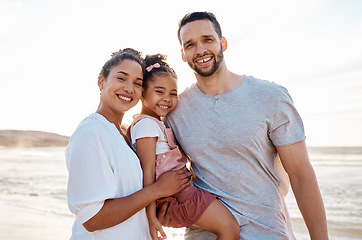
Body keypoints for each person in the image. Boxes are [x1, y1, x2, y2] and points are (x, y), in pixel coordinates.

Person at [158, 12, 329, 239]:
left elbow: (301, 175)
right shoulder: (175, 111)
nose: (200, 50)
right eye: (190, 45)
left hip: (266, 232)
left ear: (223, 43)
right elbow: (166, 168)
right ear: (183, 54)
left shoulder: (270, 96)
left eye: (207, 40)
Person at [65, 48, 191, 240]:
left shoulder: (128, 132)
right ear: (102, 81)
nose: (129, 88)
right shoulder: (90, 132)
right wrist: (157, 190)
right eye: (121, 78)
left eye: (137, 83)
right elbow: (92, 218)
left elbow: (133, 196)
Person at [126, 53, 240, 240]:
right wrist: (150, 217)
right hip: (180, 197)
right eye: (159, 91)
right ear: (142, 93)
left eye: (172, 93)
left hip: (183, 193)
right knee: (230, 229)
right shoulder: (146, 125)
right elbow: (147, 173)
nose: (167, 99)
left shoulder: (155, 123)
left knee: (229, 227)